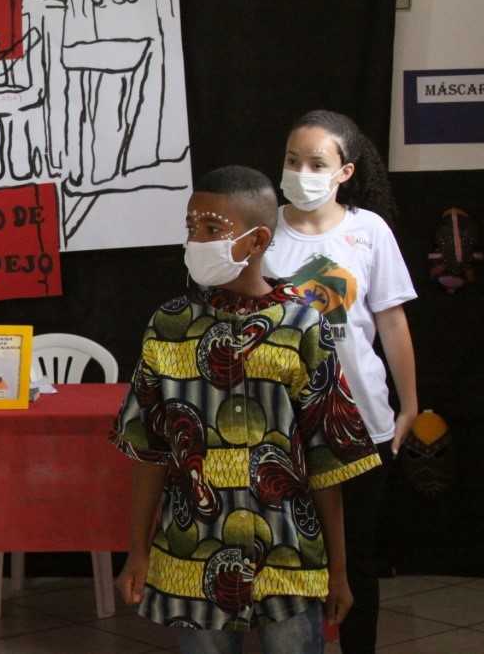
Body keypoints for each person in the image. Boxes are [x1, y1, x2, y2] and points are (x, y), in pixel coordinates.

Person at [112, 165, 381, 654]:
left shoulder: (300, 326)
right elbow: (149, 452)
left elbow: (326, 460)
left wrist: (337, 570)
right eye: (191, 228)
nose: (196, 239)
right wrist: (137, 552)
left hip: (289, 554)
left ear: (257, 240)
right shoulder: (168, 327)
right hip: (193, 550)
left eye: (212, 229)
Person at [260, 110, 418, 654]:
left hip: (361, 422)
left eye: (316, 163)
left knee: (357, 561)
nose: (301, 171)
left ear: (345, 171)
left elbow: (392, 322)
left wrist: (409, 406)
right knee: (288, 558)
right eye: (292, 160)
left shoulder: (368, 230)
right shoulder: (261, 227)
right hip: (278, 426)